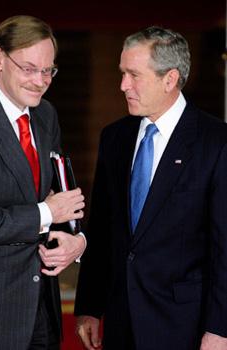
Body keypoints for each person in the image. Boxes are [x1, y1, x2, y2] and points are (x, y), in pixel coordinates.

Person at [74, 26, 227, 350]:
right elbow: (102, 228)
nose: (122, 85)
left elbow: (224, 247)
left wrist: (220, 329)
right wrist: (89, 306)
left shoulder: (216, 143)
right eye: (122, 73)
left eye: (133, 75)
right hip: (119, 322)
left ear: (169, 79)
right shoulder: (114, 137)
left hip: (185, 328)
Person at [0, 15, 86, 350]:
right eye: (28, 68)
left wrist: (75, 239)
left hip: (44, 306)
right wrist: (45, 212)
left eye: (48, 70)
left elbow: (56, 194)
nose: (40, 81)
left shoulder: (46, 115)